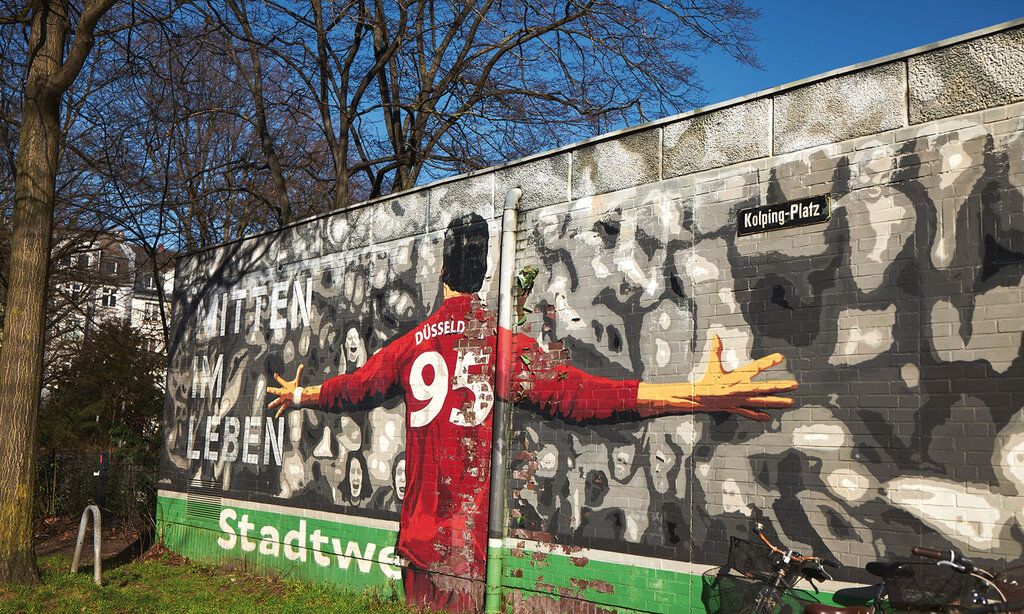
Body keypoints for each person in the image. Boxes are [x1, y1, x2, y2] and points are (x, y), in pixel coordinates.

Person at [267, 213, 798, 612]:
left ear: (444, 274)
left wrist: (300, 395)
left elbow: (353, 388)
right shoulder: (496, 347)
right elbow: (584, 397)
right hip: (459, 554)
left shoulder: (409, 347)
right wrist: (690, 395)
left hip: (416, 542)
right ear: (483, 274)